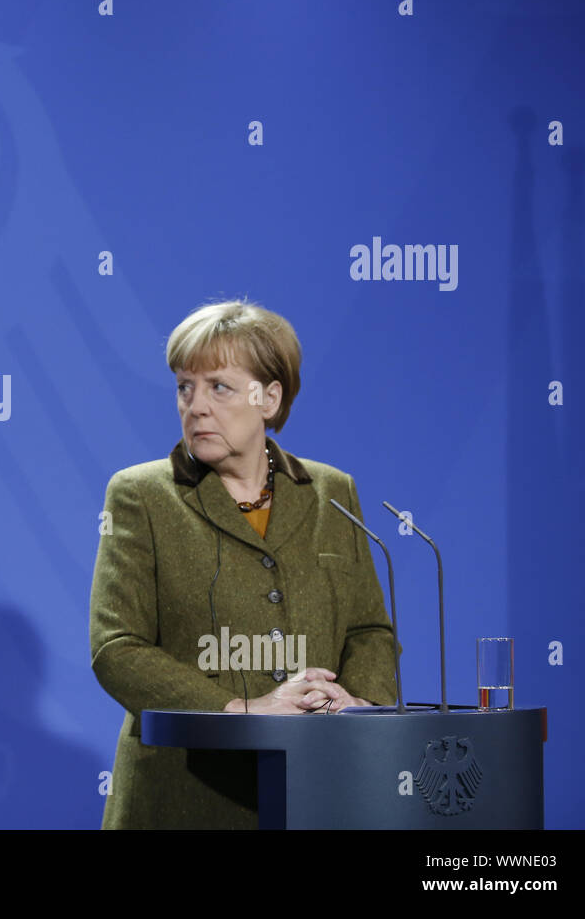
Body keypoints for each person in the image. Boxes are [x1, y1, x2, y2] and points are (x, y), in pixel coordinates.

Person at [89, 299, 397, 829]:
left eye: (219, 387)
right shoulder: (140, 495)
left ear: (269, 399)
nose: (196, 406)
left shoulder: (332, 492)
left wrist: (356, 706)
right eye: (185, 387)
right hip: (183, 795)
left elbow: (369, 629)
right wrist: (240, 709)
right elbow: (117, 647)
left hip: (314, 790)